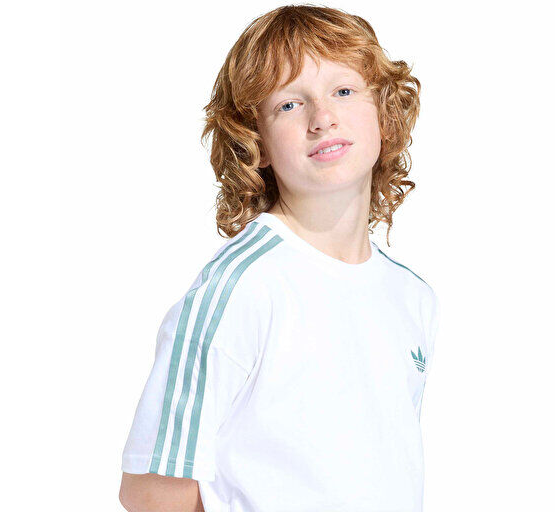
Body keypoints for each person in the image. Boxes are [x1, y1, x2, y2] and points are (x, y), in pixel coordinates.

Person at [119, 5, 440, 512]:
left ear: (383, 111)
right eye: (289, 104)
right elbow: (151, 491)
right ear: (257, 144)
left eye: (343, 91)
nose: (322, 118)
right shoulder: (242, 287)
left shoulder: (412, 296)